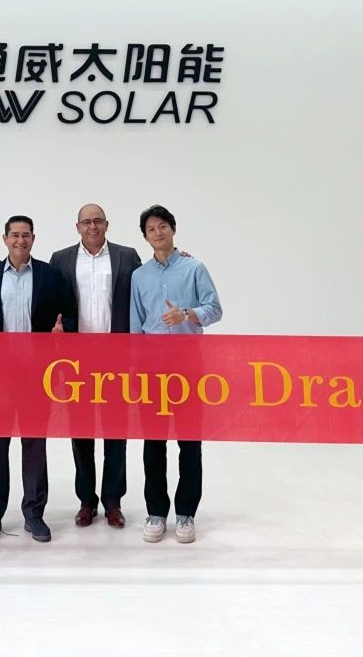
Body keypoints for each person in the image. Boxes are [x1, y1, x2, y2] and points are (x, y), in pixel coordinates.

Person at [0, 215, 76, 543]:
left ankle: (34, 513)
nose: (20, 240)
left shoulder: (50, 275)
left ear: (34, 239)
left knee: (34, 444)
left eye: (26, 235)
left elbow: (69, 315)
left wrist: (63, 331)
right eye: (15, 235)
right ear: (4, 239)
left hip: (36, 375)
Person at [130, 205, 222, 544]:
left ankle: (186, 513)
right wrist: (135, 370)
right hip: (152, 367)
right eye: (151, 229)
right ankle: (156, 512)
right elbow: (135, 327)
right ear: (145, 237)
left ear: (173, 229)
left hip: (188, 364)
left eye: (163, 227)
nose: (158, 233)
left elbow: (215, 309)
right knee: (153, 442)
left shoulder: (194, 267)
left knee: (189, 441)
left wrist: (186, 314)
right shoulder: (139, 277)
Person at [50, 203, 141, 529]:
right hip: (77, 361)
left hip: (117, 358)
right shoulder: (61, 259)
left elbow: (144, 289)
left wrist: (178, 258)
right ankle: (86, 501)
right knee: (81, 432)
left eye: (98, 221)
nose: (92, 227)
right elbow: (51, 302)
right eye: (86, 222)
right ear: (77, 227)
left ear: (107, 224)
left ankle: (113, 502)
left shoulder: (127, 257)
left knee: (116, 432)